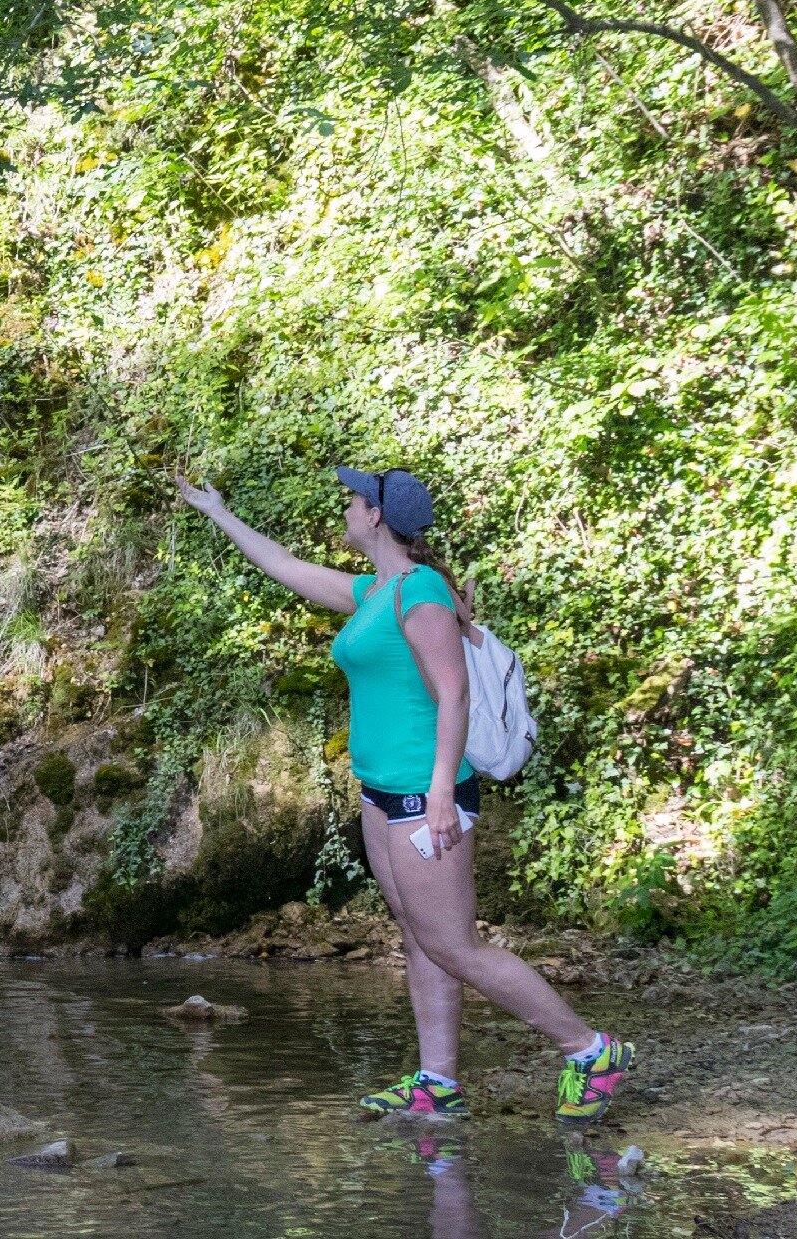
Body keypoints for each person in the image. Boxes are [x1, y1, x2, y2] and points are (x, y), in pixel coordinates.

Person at [174, 465, 633, 1123]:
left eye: (355, 500)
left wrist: (443, 791)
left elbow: (455, 695)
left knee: (454, 945)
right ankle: (437, 1082)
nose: (347, 507)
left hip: (426, 795)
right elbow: (283, 566)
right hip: (383, 794)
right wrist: (217, 511)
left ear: (378, 518)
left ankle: (590, 1051)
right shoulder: (378, 591)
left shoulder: (421, 595)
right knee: (421, 937)